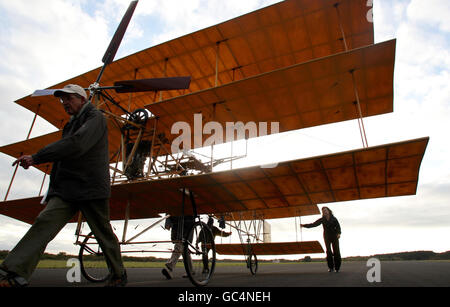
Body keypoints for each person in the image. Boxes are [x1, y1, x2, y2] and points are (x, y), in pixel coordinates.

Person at [0, 84, 127, 287]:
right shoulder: (70, 124)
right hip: (67, 188)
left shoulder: (96, 118)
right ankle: (15, 272)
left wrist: (37, 157)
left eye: (69, 98)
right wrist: (53, 188)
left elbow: (77, 145)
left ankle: (119, 274)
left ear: (83, 99)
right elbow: (63, 155)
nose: (64, 103)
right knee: (44, 222)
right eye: (62, 100)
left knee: (103, 233)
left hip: (90, 187)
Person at [301, 207, 342, 273]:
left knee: (336, 251)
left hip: (334, 236)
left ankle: (337, 268)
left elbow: (338, 227)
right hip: (326, 236)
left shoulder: (334, 219)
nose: (324, 212)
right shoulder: (322, 219)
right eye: (323, 211)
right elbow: (314, 224)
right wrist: (304, 225)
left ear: (329, 211)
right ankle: (331, 267)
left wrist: (339, 233)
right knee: (328, 252)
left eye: (325, 210)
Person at [161, 215, 195, 280]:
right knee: (184, 249)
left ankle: (170, 267)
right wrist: (168, 223)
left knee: (179, 245)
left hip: (186, 224)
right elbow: (169, 209)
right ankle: (190, 270)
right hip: (177, 224)